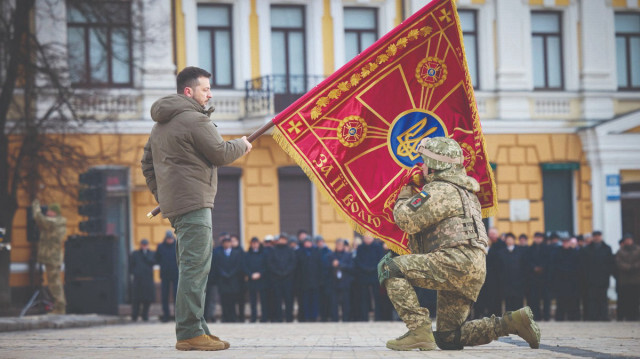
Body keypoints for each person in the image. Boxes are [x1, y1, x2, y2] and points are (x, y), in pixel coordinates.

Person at [378, 137, 540, 351]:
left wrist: (405, 191)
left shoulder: (441, 189)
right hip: (472, 266)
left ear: (436, 166)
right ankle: (510, 323)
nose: (422, 167)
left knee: (389, 267)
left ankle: (418, 329)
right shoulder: (466, 192)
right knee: (448, 337)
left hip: (454, 261)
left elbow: (406, 219)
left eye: (424, 162)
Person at [141, 66, 251, 351]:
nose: (210, 94)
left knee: (192, 266)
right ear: (188, 91)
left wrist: (163, 196)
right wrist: (242, 144)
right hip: (195, 203)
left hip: (177, 206)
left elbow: (147, 164)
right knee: (195, 268)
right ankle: (190, 332)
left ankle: (198, 328)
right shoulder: (194, 120)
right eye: (205, 89)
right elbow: (221, 153)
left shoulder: (160, 124)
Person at [31, 199, 67, 314]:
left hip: (52, 257)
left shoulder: (54, 222)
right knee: (54, 283)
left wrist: (36, 206)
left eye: (50, 211)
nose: (47, 213)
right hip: (52, 257)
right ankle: (59, 307)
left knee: (54, 284)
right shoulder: (55, 222)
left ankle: (60, 307)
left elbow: (39, 219)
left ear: (55, 212)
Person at [580, 230, 614, 321]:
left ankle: (603, 316)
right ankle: (592, 317)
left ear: (601, 236)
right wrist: (586, 277)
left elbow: (610, 263)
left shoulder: (607, 248)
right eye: (595, 235)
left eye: (598, 235)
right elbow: (584, 265)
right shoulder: (586, 249)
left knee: (603, 299)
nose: (596, 237)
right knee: (592, 299)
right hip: (590, 279)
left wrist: (607, 274)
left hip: (603, 278)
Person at [474, 227, 504, 318]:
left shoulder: (501, 245)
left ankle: (495, 315)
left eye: (493, 234)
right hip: (482, 276)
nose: (491, 236)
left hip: (495, 277)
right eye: (490, 234)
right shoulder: (483, 245)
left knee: (495, 297)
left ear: (497, 235)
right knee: (482, 297)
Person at [267, 234, 297, 322]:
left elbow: (293, 263)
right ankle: (278, 318)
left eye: (284, 239)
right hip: (276, 279)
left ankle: (289, 317)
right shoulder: (273, 251)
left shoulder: (290, 251)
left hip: (288, 279)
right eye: (281, 239)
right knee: (277, 300)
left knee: (289, 299)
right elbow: (270, 263)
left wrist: (286, 272)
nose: (282, 241)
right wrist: (278, 272)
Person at [354, 234, 385, 321]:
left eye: (369, 238)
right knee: (364, 297)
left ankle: (378, 317)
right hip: (363, 275)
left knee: (377, 297)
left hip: (374, 275)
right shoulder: (360, 248)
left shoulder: (378, 247)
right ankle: (364, 317)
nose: (367, 239)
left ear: (372, 238)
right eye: (366, 238)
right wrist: (365, 268)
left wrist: (373, 268)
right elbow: (357, 260)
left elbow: (381, 260)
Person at [550, 236, 580, 321]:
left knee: (572, 301)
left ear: (570, 243)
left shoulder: (575, 253)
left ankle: (572, 318)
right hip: (560, 281)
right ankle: (560, 318)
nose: (565, 244)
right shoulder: (557, 252)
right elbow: (554, 266)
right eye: (564, 242)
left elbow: (577, 266)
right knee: (560, 301)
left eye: (567, 242)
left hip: (572, 281)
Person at [213, 237, 243, 322]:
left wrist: (231, 274)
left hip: (233, 280)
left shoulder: (236, 253)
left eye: (228, 242)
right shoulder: (219, 253)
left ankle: (233, 317)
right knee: (224, 299)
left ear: (230, 244)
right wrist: (223, 273)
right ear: (222, 244)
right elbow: (217, 265)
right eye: (225, 243)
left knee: (232, 300)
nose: (227, 244)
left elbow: (238, 265)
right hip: (223, 280)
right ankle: (225, 317)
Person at [524, 232, 550, 321]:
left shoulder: (547, 248)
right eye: (536, 237)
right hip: (533, 278)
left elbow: (549, 261)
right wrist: (534, 268)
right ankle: (536, 316)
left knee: (546, 298)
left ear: (542, 239)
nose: (538, 239)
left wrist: (542, 267)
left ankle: (546, 316)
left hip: (544, 277)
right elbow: (527, 261)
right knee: (534, 298)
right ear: (534, 238)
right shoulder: (530, 249)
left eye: (540, 238)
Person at [296, 237, 323, 321]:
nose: (307, 244)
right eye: (306, 242)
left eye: (309, 242)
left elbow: (320, 267)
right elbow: (297, 268)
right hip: (304, 282)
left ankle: (314, 317)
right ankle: (306, 317)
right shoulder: (300, 252)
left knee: (315, 301)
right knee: (305, 301)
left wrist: (320, 280)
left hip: (315, 281)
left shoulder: (316, 252)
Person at [498, 233, 526, 312]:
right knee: (508, 302)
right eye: (508, 239)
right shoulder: (501, 253)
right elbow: (499, 268)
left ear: (514, 240)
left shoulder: (520, 251)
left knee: (518, 302)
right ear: (505, 241)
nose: (509, 241)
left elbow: (524, 266)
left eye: (511, 239)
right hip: (506, 282)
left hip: (518, 282)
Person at [615, 234, 640, 321]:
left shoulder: (638, 250)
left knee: (636, 299)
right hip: (625, 280)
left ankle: (636, 315)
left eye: (629, 239)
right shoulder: (620, 251)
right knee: (627, 299)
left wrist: (634, 267)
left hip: (636, 279)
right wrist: (628, 267)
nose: (628, 241)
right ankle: (628, 315)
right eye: (626, 240)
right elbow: (618, 262)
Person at [329, 239, 354, 322]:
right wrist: (332, 265)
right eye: (338, 245)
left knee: (346, 302)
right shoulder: (331, 255)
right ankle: (334, 319)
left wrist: (340, 264)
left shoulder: (348, 255)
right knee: (334, 302)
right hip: (334, 282)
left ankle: (346, 319)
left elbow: (351, 267)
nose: (339, 246)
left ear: (343, 246)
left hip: (345, 282)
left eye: (341, 245)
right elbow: (327, 268)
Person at [130, 239, 156, 322]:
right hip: (138, 279)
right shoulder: (135, 254)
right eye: (143, 244)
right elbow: (131, 265)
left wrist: (146, 256)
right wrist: (135, 272)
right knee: (136, 299)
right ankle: (135, 315)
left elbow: (153, 262)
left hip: (148, 279)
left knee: (147, 299)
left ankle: (145, 315)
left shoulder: (151, 253)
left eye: (145, 245)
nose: (144, 246)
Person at [156, 230, 179, 322]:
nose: (169, 240)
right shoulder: (161, 247)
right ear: (166, 238)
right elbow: (157, 258)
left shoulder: (177, 246)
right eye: (168, 239)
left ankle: (177, 316)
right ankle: (166, 316)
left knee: (176, 296)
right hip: (165, 274)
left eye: (170, 238)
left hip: (176, 274)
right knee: (164, 296)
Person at [244, 237, 268, 322]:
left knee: (263, 300)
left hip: (262, 280)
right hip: (251, 280)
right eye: (253, 243)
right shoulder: (247, 254)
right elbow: (244, 266)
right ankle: (253, 318)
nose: (255, 244)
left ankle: (264, 317)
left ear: (259, 244)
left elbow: (266, 266)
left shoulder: (263, 254)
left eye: (256, 243)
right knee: (252, 300)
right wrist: (251, 275)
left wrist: (260, 274)